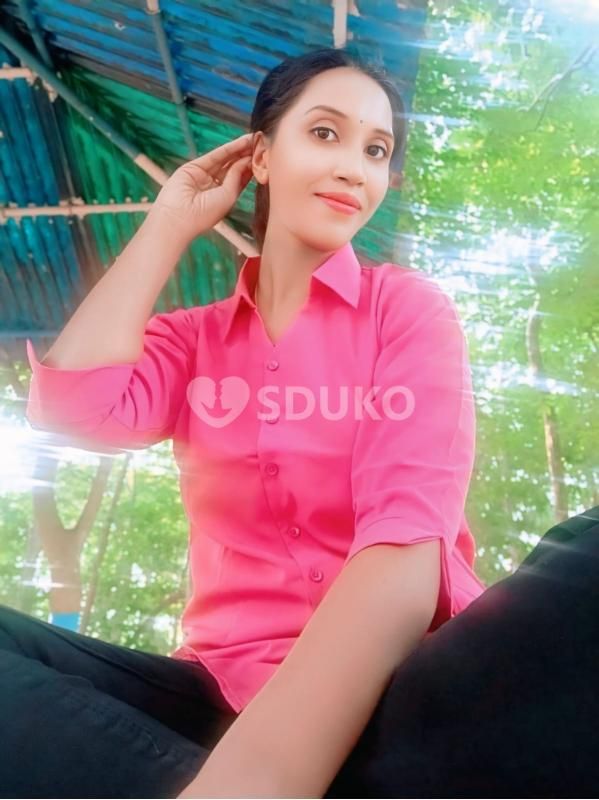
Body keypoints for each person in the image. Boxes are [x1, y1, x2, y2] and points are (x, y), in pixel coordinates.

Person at [5, 45, 598, 797]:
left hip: (408, 688)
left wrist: (255, 783)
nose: (354, 167)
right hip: (221, 699)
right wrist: (169, 223)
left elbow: (403, 551)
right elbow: (72, 410)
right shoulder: (192, 340)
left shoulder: (404, 309)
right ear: (260, 156)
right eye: (324, 133)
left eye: (376, 150)